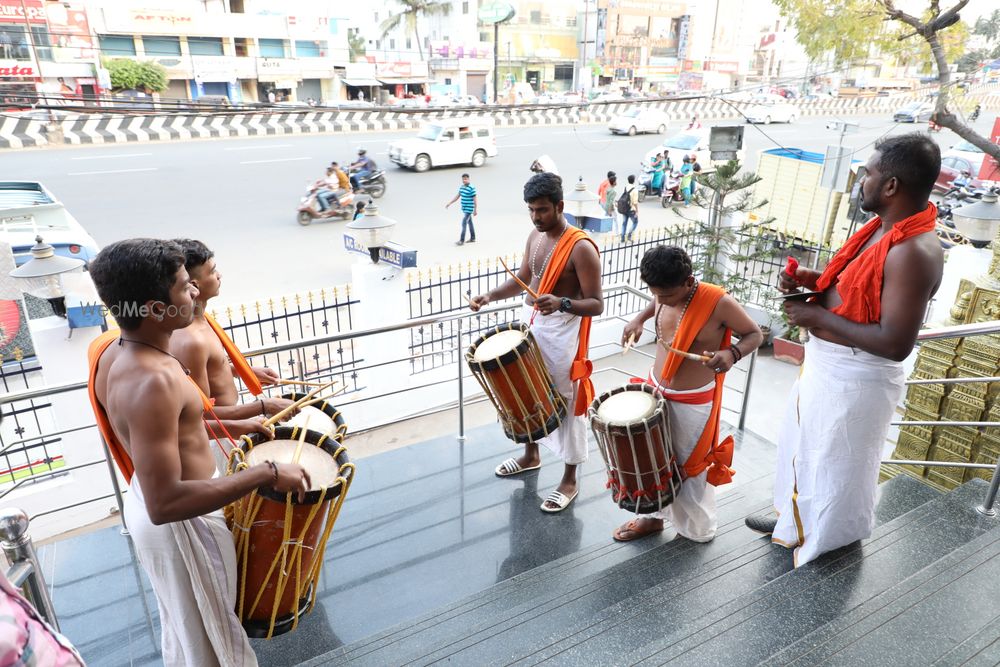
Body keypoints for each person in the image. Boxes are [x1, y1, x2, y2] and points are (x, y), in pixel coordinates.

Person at [87, 238, 311, 666]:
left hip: (167, 512)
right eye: (184, 286)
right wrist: (265, 473)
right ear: (154, 308)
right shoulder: (152, 379)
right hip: (182, 525)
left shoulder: (120, 352)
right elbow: (166, 502)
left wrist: (231, 422)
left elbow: (168, 427)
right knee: (212, 647)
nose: (194, 292)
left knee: (192, 636)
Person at [744, 133, 944, 567]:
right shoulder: (883, 229)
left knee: (836, 466)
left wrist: (818, 318)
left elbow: (895, 342)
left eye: (868, 174)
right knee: (805, 451)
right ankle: (795, 521)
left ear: (890, 185)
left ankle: (827, 541)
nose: (861, 182)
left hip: (856, 378)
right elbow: (861, 288)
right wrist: (816, 282)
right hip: (828, 366)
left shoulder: (914, 250)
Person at [469, 173, 603, 512]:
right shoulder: (535, 235)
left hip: (564, 334)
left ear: (560, 206)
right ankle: (531, 455)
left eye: (542, 210)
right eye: (531, 210)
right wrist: (489, 295)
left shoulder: (582, 248)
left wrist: (562, 303)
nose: (536, 217)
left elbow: (597, 304)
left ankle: (570, 479)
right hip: (536, 327)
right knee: (526, 390)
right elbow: (524, 278)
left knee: (567, 402)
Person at [614, 246, 762, 542]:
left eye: (667, 295)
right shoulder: (662, 293)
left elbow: (754, 335)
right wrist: (638, 320)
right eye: (656, 293)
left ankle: (696, 529)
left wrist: (731, 353)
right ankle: (653, 517)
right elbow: (656, 301)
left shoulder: (718, 302)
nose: (661, 300)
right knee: (653, 459)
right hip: (656, 388)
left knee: (690, 467)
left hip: (693, 401)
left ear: (688, 281)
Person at [168, 239, 296, 425]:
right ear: (194, 285)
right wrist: (264, 406)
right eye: (212, 271)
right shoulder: (192, 340)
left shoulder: (202, 320)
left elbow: (208, 369)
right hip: (223, 434)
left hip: (233, 421)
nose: (219, 275)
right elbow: (201, 415)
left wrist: (243, 371)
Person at [446, 173, 478, 246]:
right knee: (470, 223)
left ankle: (461, 240)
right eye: (463, 179)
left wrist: (475, 209)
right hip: (464, 208)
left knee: (464, 223)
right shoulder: (462, 187)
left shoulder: (472, 188)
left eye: (466, 179)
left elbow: (475, 199)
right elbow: (457, 196)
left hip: (469, 209)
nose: (464, 180)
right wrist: (450, 203)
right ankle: (473, 238)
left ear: (469, 179)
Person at [619, 174, 639, 242]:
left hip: (624, 208)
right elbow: (635, 202)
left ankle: (622, 237)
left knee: (624, 223)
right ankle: (629, 235)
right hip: (631, 209)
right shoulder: (635, 190)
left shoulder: (626, 187)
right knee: (635, 222)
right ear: (634, 181)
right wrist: (637, 211)